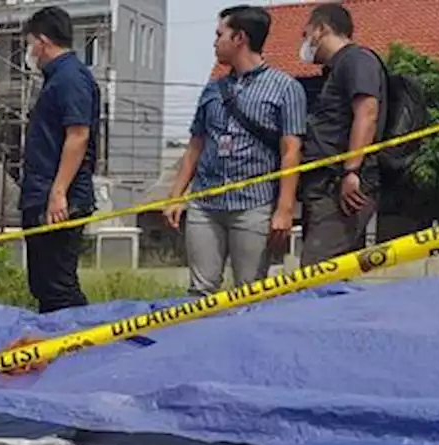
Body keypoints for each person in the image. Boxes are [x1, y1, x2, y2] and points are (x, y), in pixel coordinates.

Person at [165, 5, 307, 296]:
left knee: (250, 292)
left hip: (253, 205)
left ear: (240, 38)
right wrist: (175, 196)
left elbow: (291, 151)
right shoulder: (212, 90)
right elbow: (195, 145)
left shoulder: (286, 89)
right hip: (206, 203)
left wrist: (284, 208)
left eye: (220, 34)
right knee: (200, 293)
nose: (215, 42)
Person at [19, 6, 100, 313]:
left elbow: (78, 135)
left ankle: (83, 347)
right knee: (44, 284)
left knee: (59, 287)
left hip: (59, 199)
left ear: (42, 41)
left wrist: (58, 192)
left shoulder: (70, 79)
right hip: (42, 193)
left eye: (29, 44)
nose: (30, 51)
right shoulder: (56, 79)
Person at [298, 3, 386, 265]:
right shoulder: (335, 70)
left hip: (342, 186)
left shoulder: (357, 60)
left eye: (306, 34)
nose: (304, 43)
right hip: (325, 185)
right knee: (334, 274)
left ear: (322, 29)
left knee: (315, 271)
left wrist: (352, 171)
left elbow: (367, 113)